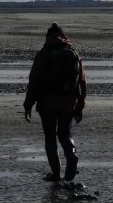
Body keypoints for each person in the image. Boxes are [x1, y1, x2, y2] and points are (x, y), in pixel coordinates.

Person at [23, 22, 87, 182]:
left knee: (50, 137)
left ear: (48, 37)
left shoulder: (44, 53)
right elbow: (82, 82)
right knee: (65, 134)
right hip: (69, 102)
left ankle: (56, 175)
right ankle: (71, 155)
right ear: (63, 36)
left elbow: (34, 80)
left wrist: (28, 104)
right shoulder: (73, 53)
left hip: (48, 102)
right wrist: (80, 105)